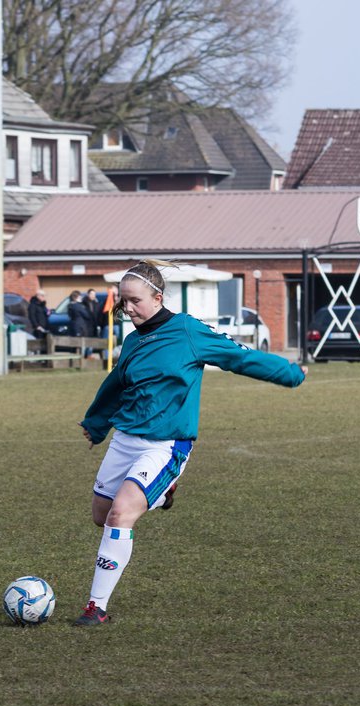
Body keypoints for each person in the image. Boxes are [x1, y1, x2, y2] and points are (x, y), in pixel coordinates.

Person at [73, 260, 307, 626]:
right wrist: (97, 423)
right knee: (101, 517)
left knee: (121, 515)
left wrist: (291, 373)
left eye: (134, 301)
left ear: (158, 297)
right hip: (125, 440)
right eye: (124, 301)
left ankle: (96, 607)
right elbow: (117, 384)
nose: (128, 309)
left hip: (166, 445)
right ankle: (163, 493)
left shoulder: (188, 331)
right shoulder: (133, 340)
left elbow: (239, 358)